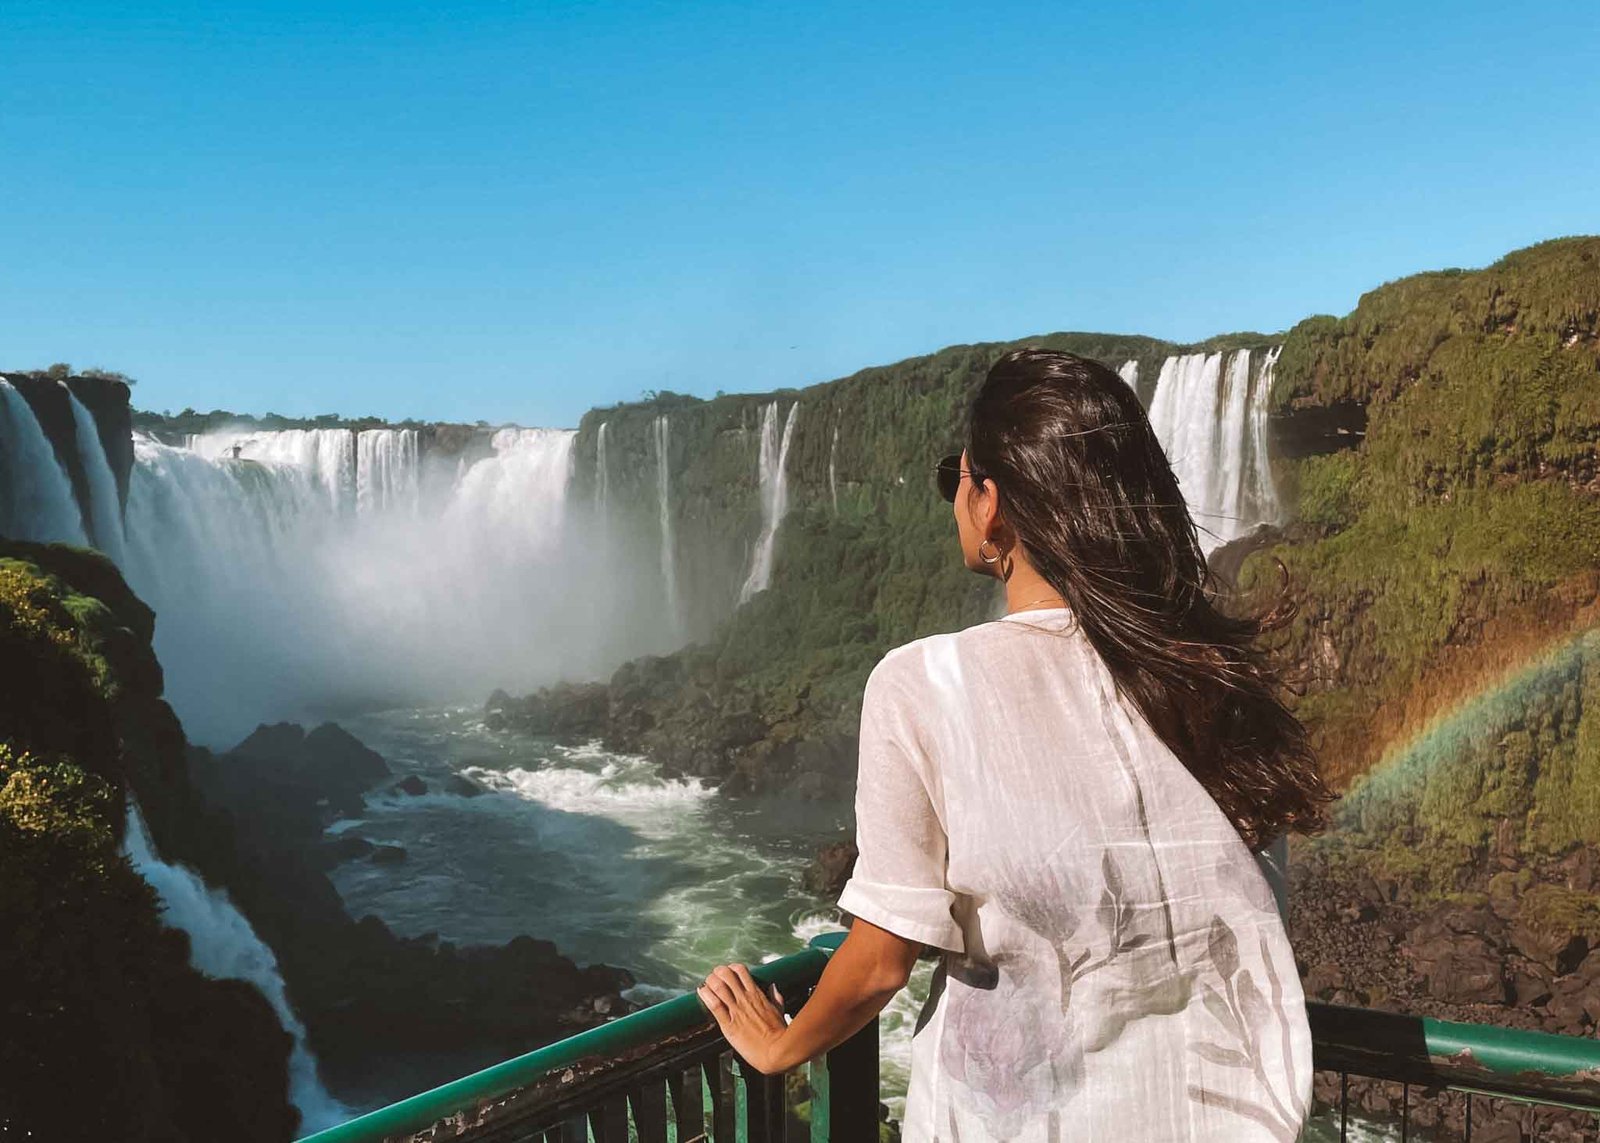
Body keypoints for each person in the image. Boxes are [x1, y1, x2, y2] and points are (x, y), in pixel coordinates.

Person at [697, 348, 1336, 1142]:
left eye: (959, 480)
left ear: (991, 503)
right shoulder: (1211, 680)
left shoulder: (924, 684)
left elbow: (881, 960)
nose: (955, 501)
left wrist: (781, 1045)